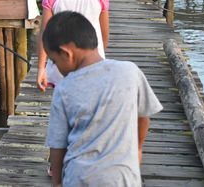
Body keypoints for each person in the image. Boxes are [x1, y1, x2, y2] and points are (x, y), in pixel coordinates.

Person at [43, 12, 163, 187]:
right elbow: (143, 117)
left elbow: (57, 145)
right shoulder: (130, 71)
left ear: (66, 53)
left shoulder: (64, 88)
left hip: (79, 178)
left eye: (54, 61)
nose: (55, 67)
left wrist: (57, 183)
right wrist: (137, 148)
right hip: (123, 177)